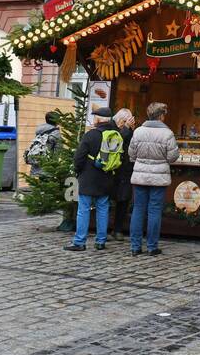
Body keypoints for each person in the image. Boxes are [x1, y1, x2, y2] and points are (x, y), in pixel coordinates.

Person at [65, 105, 121, 252]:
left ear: (97, 119)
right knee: (103, 209)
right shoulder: (116, 135)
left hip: (88, 178)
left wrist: (78, 171)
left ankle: (80, 242)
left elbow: (79, 157)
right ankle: (101, 241)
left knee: (83, 210)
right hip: (107, 177)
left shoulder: (91, 135)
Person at [128, 102, 179, 255]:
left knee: (138, 209)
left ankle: (135, 246)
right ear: (161, 116)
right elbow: (172, 157)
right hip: (159, 177)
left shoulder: (138, 132)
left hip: (140, 176)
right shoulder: (167, 134)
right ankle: (152, 246)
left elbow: (131, 154)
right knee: (154, 210)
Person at [109, 107, 137, 241]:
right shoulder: (111, 127)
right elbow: (115, 143)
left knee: (123, 200)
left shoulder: (128, 130)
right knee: (109, 201)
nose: (129, 124)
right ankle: (106, 230)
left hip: (125, 171)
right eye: (127, 121)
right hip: (112, 170)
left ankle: (118, 229)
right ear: (120, 120)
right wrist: (126, 129)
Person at [25, 111, 62, 179]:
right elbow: (57, 151)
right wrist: (55, 167)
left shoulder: (39, 131)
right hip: (48, 166)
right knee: (47, 186)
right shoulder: (56, 133)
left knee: (39, 185)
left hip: (36, 163)